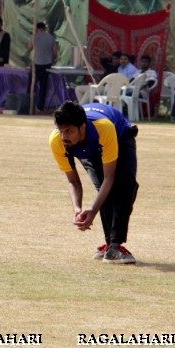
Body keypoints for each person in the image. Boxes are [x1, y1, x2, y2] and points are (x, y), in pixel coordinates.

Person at [50, 101, 139, 264]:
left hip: (119, 136)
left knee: (125, 186)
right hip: (90, 149)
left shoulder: (103, 128)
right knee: (104, 193)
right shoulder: (57, 140)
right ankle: (110, 245)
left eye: (69, 131)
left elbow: (109, 177)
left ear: (82, 128)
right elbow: (73, 182)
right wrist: (77, 210)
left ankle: (115, 245)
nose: (64, 137)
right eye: (61, 131)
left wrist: (93, 211)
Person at [26, 22, 58, 112]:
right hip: (47, 64)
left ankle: (29, 104)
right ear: (45, 28)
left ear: (36, 28)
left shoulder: (34, 37)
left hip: (36, 63)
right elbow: (55, 53)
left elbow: (28, 49)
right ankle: (41, 106)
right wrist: (50, 57)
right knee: (43, 86)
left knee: (31, 86)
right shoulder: (51, 38)